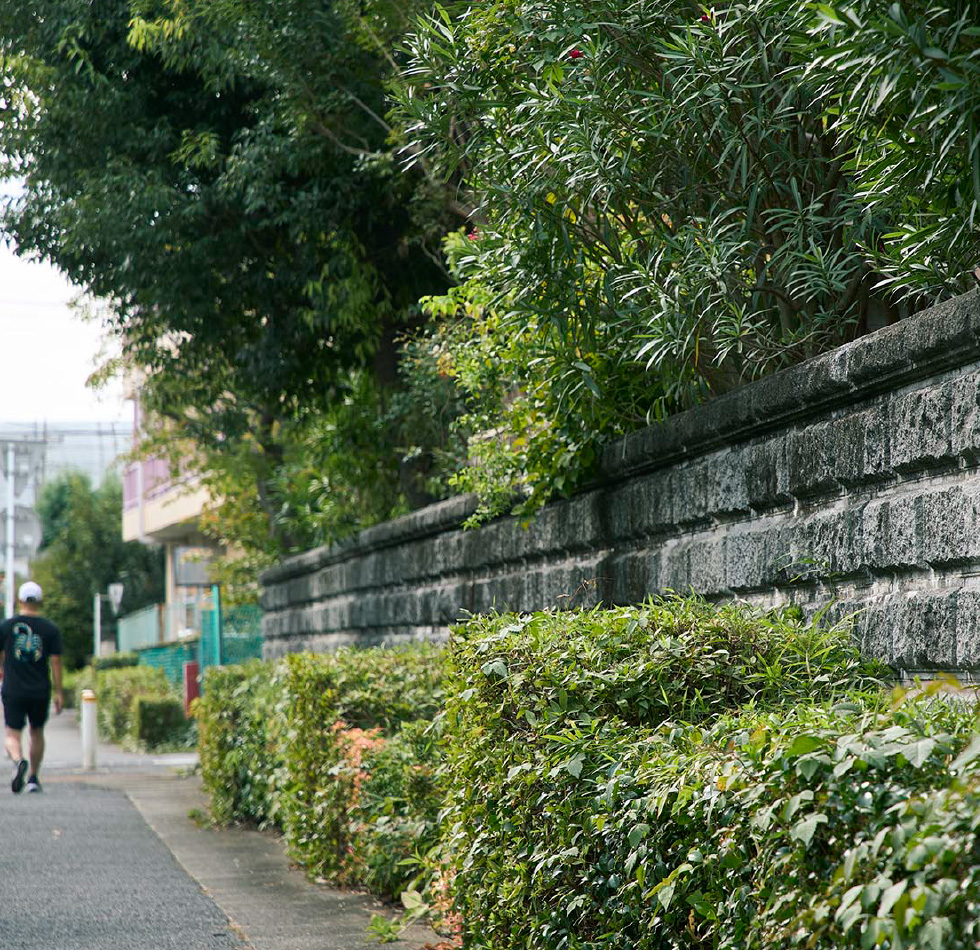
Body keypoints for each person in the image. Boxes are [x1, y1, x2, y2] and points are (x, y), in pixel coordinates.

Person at [0, 581, 63, 793]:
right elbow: (55, 662)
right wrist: (59, 692)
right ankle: (34, 778)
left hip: (13, 688)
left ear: (19, 600)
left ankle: (18, 761)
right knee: (37, 732)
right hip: (40, 689)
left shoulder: (6, 627)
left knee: (11, 734)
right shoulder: (50, 629)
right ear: (40, 602)